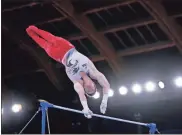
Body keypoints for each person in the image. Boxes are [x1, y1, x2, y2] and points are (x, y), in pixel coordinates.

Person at [26, 25, 110, 119]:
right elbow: (106, 85)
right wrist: (104, 101)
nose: (89, 87)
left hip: (59, 56)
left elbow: (81, 94)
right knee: (52, 38)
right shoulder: (93, 72)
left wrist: (85, 108)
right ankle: (35, 30)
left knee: (45, 45)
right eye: (92, 89)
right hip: (67, 47)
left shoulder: (78, 83)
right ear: (94, 84)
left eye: (88, 90)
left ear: (85, 90)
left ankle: (31, 34)